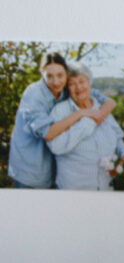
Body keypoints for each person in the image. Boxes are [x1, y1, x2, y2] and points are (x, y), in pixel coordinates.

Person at [7, 52, 115, 188]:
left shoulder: (67, 88)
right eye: (49, 76)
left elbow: (109, 102)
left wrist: (94, 118)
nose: (56, 81)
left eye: (60, 75)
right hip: (31, 170)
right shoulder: (33, 95)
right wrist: (81, 113)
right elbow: (48, 133)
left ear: (66, 73)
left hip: (55, 170)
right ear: (41, 73)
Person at [47, 63, 124, 190]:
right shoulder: (60, 111)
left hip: (106, 187)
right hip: (74, 189)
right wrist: (89, 121)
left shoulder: (102, 108)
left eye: (82, 81)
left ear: (90, 84)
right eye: (72, 84)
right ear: (67, 88)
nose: (78, 87)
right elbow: (56, 147)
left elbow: (117, 137)